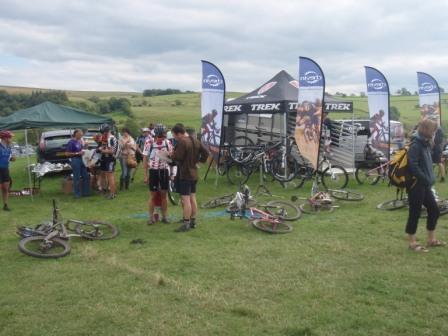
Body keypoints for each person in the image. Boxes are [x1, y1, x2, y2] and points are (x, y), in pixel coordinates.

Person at [406, 118, 443, 252]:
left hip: (424, 184)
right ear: (427, 130)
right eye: (433, 130)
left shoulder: (426, 143)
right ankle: (412, 243)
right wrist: (425, 178)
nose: (434, 133)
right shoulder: (416, 144)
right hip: (416, 184)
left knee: (434, 210)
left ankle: (431, 240)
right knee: (414, 213)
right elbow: (413, 166)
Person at [171, 123, 209, 232]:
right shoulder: (195, 140)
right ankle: (193, 221)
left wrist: (170, 154)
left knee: (185, 199)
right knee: (193, 197)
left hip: (186, 174)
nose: (174, 137)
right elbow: (206, 152)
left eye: (174, 135)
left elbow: (178, 157)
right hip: (194, 173)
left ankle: (186, 223)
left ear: (179, 134)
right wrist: (199, 161)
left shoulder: (183, 142)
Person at [143, 124, 173, 224]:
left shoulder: (168, 142)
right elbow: (145, 158)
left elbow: (172, 158)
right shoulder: (149, 142)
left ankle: (165, 217)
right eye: (163, 134)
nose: (164, 136)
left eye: (164, 134)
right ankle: (151, 218)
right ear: (158, 134)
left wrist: (172, 172)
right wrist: (145, 175)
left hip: (164, 170)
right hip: (153, 171)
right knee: (153, 195)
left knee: (164, 195)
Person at [65, 129, 90, 198]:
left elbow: (82, 150)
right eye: (80, 134)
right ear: (76, 134)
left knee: (86, 176)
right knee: (77, 177)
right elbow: (66, 153)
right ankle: (77, 194)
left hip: (82, 159)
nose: (82, 136)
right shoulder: (71, 142)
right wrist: (77, 153)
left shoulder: (79, 141)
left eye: (82, 134)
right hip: (75, 160)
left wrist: (86, 146)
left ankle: (86, 193)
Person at [97, 124, 118, 200]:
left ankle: (112, 194)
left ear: (106, 131)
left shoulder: (111, 138)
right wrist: (101, 148)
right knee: (105, 175)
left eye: (103, 132)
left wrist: (101, 150)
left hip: (110, 158)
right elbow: (106, 147)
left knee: (110, 176)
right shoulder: (107, 138)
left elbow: (112, 151)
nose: (102, 134)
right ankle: (106, 190)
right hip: (105, 158)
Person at [0, 130, 15, 211]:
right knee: (2, 187)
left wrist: (12, 159)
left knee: (6, 187)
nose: (11, 139)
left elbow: (7, 158)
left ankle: (5, 205)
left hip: (5, 169)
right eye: (10, 137)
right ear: (5, 138)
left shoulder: (9, 147)